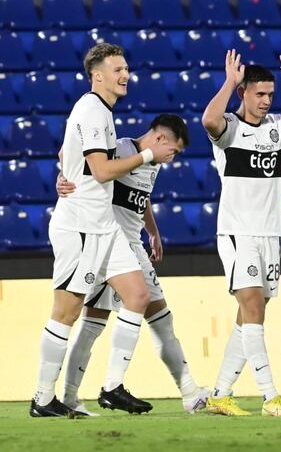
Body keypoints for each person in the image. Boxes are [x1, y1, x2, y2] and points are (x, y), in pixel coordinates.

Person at [31, 43, 176, 417]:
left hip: (103, 226)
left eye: (126, 68)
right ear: (97, 75)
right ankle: (43, 397)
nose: (125, 74)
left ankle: (112, 386)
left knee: (138, 295)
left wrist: (65, 174)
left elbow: (70, 155)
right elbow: (100, 171)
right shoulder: (93, 110)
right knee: (67, 311)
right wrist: (148, 156)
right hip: (80, 226)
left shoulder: (100, 113)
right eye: (117, 69)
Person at [201, 50, 281, 417]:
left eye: (270, 94)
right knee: (253, 307)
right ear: (243, 93)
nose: (266, 101)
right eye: (259, 94)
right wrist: (228, 81)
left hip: (270, 235)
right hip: (238, 232)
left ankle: (220, 394)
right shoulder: (229, 128)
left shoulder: (279, 126)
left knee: (250, 314)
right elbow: (208, 119)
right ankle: (270, 397)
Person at [55, 114, 211, 416]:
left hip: (129, 244)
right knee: (121, 320)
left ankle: (71, 397)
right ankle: (105, 390)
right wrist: (63, 177)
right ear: (160, 139)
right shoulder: (123, 149)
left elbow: (141, 198)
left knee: (108, 323)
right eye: (173, 151)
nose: (172, 158)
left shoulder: (150, 164)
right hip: (112, 244)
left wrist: (152, 231)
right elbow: (70, 153)